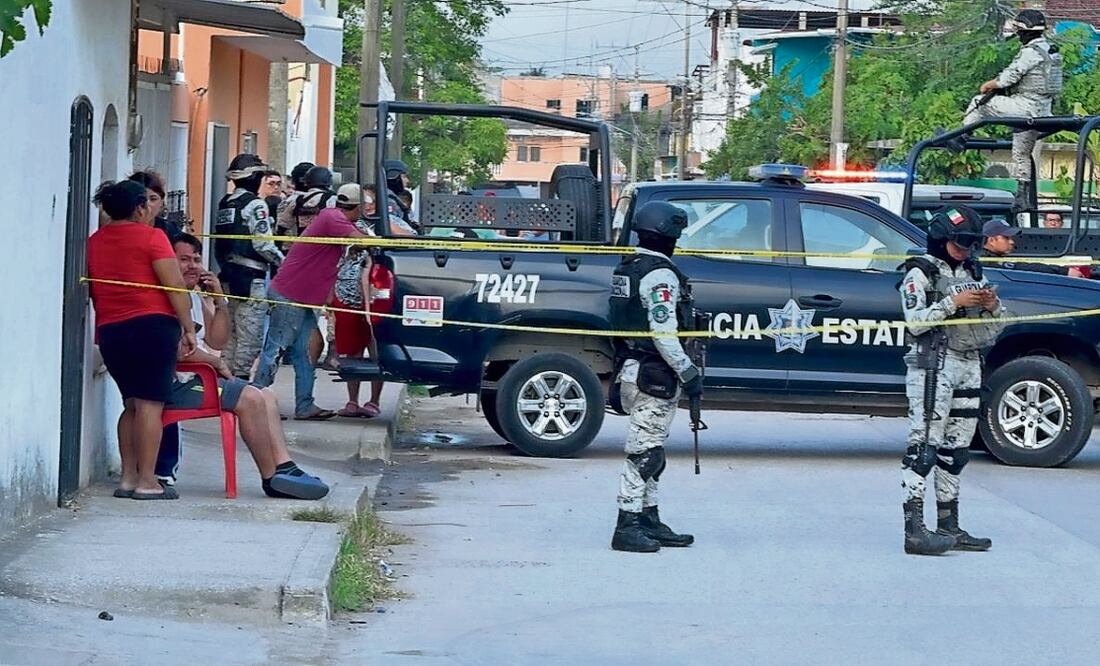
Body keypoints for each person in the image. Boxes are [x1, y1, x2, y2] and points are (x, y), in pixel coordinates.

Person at [164, 234, 329, 499]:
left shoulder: (192, 297)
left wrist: (218, 300)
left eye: (196, 259)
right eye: (183, 260)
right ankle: (270, 477)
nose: (193, 265)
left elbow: (217, 338)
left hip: (200, 379)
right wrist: (216, 361)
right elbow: (181, 354)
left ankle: (285, 465)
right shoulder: (169, 299)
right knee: (250, 398)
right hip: (180, 385)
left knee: (266, 394)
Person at [898, 205, 1005, 555]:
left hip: (970, 362)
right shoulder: (920, 273)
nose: (967, 249)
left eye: (972, 243)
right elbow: (914, 323)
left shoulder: (974, 270)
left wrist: (990, 307)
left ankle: (949, 525)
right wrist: (950, 303)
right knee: (924, 450)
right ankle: (914, 531)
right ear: (942, 239)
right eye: (960, 242)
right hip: (934, 365)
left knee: (956, 452)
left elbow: (996, 327)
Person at [87, 181, 197, 500]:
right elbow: (174, 286)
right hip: (151, 327)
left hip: (112, 330)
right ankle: (148, 481)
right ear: (139, 207)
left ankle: (127, 477)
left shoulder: (95, 241)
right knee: (151, 404)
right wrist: (188, 328)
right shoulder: (152, 237)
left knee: (131, 404)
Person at [607, 201, 700, 553]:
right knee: (644, 454)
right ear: (668, 235)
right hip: (654, 373)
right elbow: (663, 333)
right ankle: (626, 524)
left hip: (631, 368)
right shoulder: (660, 275)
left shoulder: (628, 267)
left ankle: (648, 517)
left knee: (651, 449)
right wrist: (688, 373)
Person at [254, 183, 373, 420]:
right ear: (358, 207)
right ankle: (255, 401)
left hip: (303, 297)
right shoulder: (333, 217)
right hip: (292, 294)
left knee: (303, 353)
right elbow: (362, 240)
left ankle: (304, 405)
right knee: (276, 349)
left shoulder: (334, 219)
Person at [954, 9, 1062, 212]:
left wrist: (989, 85)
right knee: (1021, 153)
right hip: (1044, 111)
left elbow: (1008, 78)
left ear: (1024, 31)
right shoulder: (1051, 50)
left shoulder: (1030, 52)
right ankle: (1022, 197)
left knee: (979, 102)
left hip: (1025, 107)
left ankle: (960, 138)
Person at [214, 154, 284, 380]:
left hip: (229, 275)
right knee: (250, 337)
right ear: (255, 177)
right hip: (251, 278)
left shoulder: (226, 203)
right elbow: (263, 244)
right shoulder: (255, 205)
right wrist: (283, 263)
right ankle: (240, 384)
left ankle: (225, 382)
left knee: (233, 333)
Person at [333, 186, 384, 418]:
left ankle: (374, 401)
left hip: (374, 297)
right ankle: (352, 401)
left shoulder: (381, 226)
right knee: (351, 352)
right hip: (345, 295)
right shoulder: (337, 226)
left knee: (376, 349)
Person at [981, 219, 1084, 277]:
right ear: (991, 240)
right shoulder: (985, 262)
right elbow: (1025, 268)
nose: (1012, 242)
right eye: (1006, 238)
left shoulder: (990, 259)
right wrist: (1064, 271)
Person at [129, 170, 181, 241]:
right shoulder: (118, 229)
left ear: (161, 202)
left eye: (153, 199)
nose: (147, 204)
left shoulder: (170, 230)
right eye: (140, 199)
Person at [383, 159, 419, 235]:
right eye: (404, 176)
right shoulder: (388, 201)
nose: (407, 181)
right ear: (393, 177)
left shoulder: (392, 198)